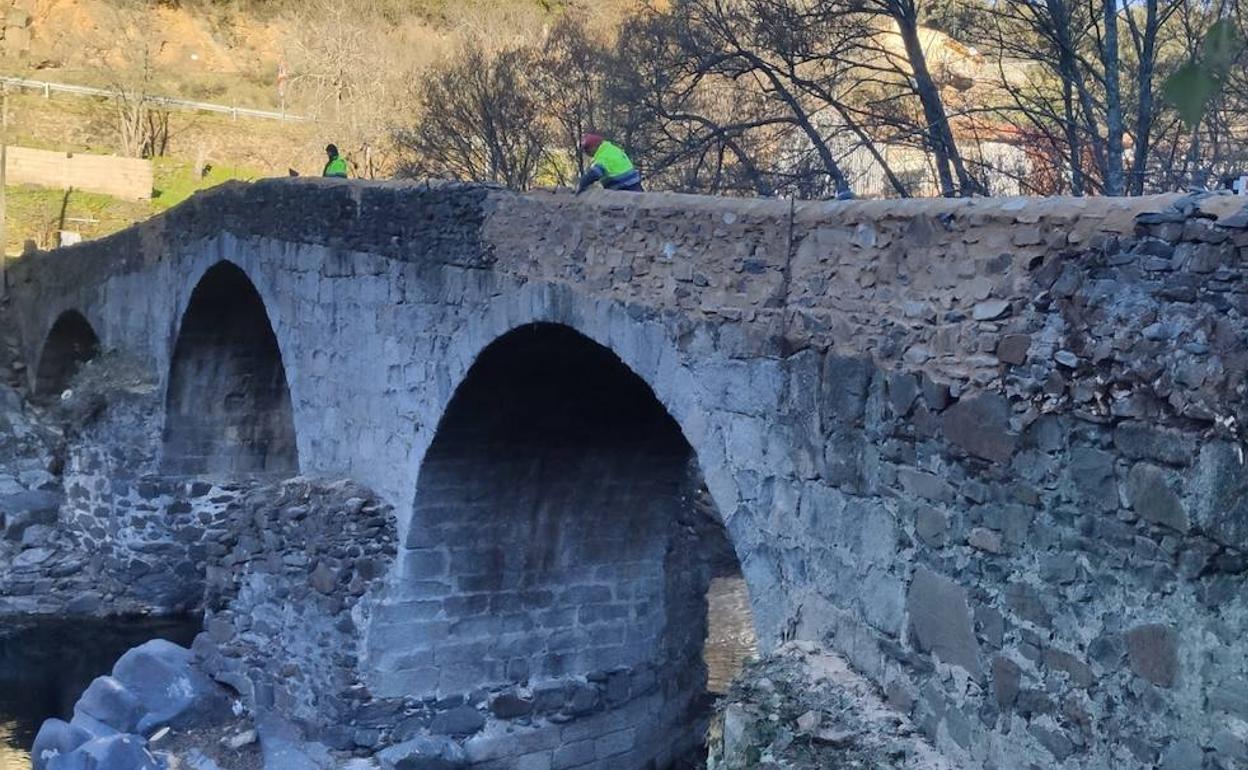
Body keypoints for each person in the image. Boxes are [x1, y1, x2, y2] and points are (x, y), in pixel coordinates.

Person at [576, 134, 642, 194]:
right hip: (635, 185)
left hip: (623, 188)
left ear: (595, 146)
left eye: (587, 149)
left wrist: (581, 184)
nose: (586, 152)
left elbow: (595, 173)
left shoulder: (603, 155)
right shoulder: (612, 149)